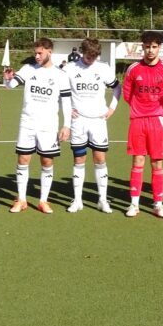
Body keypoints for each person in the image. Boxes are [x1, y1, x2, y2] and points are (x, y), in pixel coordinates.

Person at [3, 38, 72, 214]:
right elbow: (11, 86)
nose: (37, 56)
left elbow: (66, 103)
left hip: (48, 126)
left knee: (47, 161)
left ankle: (43, 200)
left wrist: (66, 125)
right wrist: (7, 78)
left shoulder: (60, 75)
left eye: (40, 53)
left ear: (50, 51)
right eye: (35, 52)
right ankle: (22, 199)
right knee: (23, 160)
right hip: (27, 123)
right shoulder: (28, 69)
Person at [123, 31, 163, 218]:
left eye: (154, 47)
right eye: (147, 46)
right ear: (143, 47)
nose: (150, 50)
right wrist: (141, 109)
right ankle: (134, 204)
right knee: (138, 161)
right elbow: (127, 94)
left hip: (158, 121)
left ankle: (158, 204)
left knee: (157, 163)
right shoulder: (133, 69)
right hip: (138, 121)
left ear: (159, 48)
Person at [64, 38, 121, 213]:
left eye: (95, 56)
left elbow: (118, 88)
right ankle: (78, 200)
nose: (91, 59)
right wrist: (67, 109)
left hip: (98, 121)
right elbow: (60, 90)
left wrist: (112, 107)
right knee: (79, 159)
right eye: (89, 56)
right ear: (82, 52)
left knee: (100, 159)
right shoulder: (70, 68)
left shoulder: (103, 68)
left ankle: (102, 200)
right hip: (78, 121)